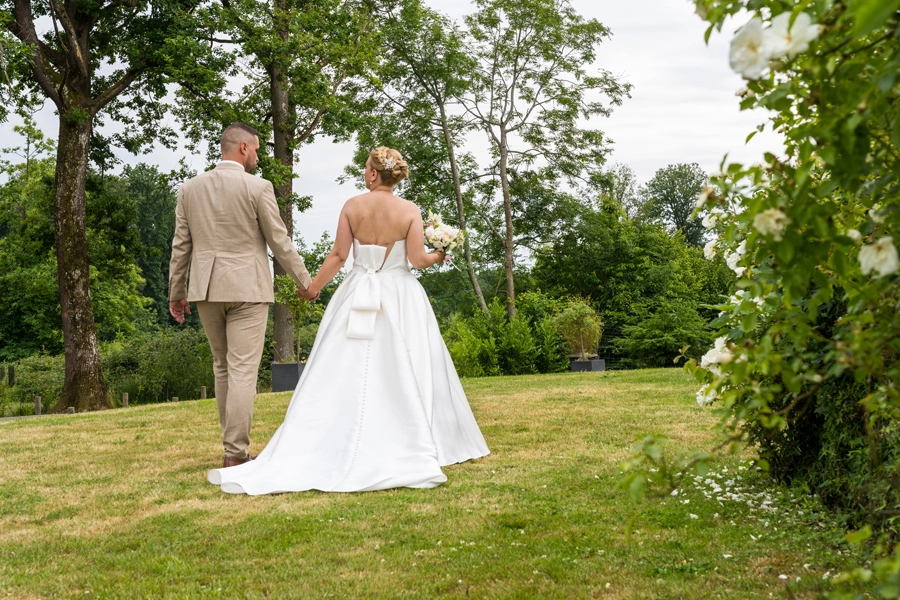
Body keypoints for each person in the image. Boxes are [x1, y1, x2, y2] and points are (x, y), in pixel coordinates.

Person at [207, 146, 490, 494]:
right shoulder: (409, 211)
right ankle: (416, 434)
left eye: (366, 168)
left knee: (343, 365)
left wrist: (312, 289)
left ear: (373, 173)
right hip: (401, 296)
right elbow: (416, 260)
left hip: (357, 292)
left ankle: (335, 433)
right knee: (411, 362)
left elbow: (339, 255)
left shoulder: (353, 206)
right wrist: (439, 254)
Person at [168, 122, 317, 469]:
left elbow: (181, 245)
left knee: (223, 368)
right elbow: (279, 240)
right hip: (247, 288)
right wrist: (306, 282)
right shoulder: (258, 187)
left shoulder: (190, 188)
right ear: (244, 148)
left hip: (205, 288)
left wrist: (177, 292)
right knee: (242, 371)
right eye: (257, 150)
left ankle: (231, 448)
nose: (258, 158)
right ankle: (235, 453)